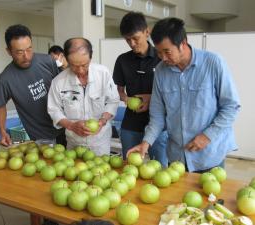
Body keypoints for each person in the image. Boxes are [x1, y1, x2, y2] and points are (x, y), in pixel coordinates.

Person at [127, 17, 240, 173]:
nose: (163, 58)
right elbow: (157, 116)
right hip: (177, 158)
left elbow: (231, 106)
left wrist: (207, 136)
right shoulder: (160, 71)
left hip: (209, 155)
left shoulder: (213, 63)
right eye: (159, 53)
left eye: (167, 51)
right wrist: (146, 143)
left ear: (183, 43)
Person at [0, 24, 66, 147]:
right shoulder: (5, 79)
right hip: (41, 136)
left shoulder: (48, 61)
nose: (26, 56)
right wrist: (2, 131)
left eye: (29, 49)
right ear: (9, 51)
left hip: (66, 125)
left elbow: (63, 86)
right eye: (20, 52)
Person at [113, 11, 168, 166]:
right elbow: (119, 90)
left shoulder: (162, 58)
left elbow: (171, 93)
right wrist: (126, 99)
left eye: (135, 38)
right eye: (127, 40)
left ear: (146, 32)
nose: (132, 43)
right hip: (131, 124)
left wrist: (152, 99)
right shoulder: (122, 60)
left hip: (158, 125)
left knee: (160, 168)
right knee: (129, 168)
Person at [48, 38, 120, 156]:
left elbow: (113, 101)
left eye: (84, 65)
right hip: (74, 144)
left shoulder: (103, 74)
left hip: (100, 143)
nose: (80, 70)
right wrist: (71, 125)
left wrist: (102, 121)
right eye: (74, 66)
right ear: (66, 59)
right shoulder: (59, 82)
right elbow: (54, 110)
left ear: (90, 58)